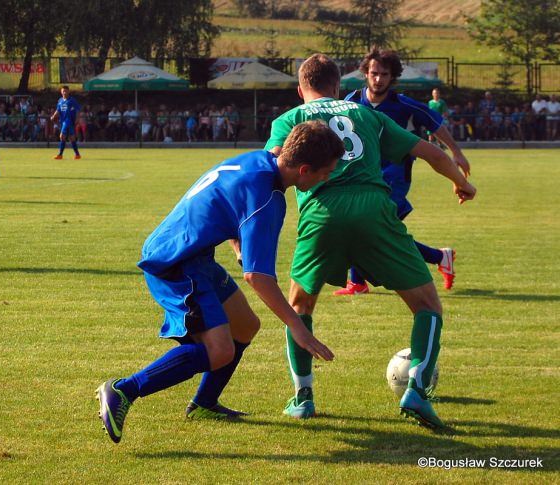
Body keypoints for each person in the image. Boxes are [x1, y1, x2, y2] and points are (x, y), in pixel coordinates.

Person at [96, 120, 344, 444]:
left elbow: (225, 204)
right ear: (305, 169)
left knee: (245, 326)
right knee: (220, 351)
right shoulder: (268, 200)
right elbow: (258, 277)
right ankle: (123, 390)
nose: (326, 179)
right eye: (325, 172)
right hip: (176, 263)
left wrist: (239, 245)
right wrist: (296, 325)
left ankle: (204, 404)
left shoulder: (260, 159)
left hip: (191, 253)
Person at [264, 53, 476, 430]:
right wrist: (462, 183)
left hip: (321, 211)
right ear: (338, 88)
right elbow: (429, 151)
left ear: (301, 90)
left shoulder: (290, 119)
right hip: (374, 209)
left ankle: (303, 397)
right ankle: (417, 390)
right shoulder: (367, 114)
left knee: (299, 306)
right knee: (427, 305)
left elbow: (272, 166)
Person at [335, 48, 471, 295]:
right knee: (373, 233)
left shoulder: (404, 105)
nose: (378, 79)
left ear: (392, 77)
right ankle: (440, 258)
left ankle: (358, 282)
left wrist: (456, 152)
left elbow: (436, 124)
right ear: (365, 73)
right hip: (361, 178)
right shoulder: (350, 103)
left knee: (365, 228)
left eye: (384, 74)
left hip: (394, 179)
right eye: (374, 73)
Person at [51, 85, 81, 160]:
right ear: (61, 92)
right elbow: (58, 110)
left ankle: (60, 155)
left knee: (62, 136)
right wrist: (53, 116)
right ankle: (77, 154)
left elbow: (77, 109)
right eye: (63, 91)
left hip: (69, 121)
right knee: (71, 138)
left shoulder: (72, 100)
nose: (64, 92)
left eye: (66, 91)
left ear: (68, 91)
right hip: (63, 120)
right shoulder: (60, 100)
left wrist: (77, 118)